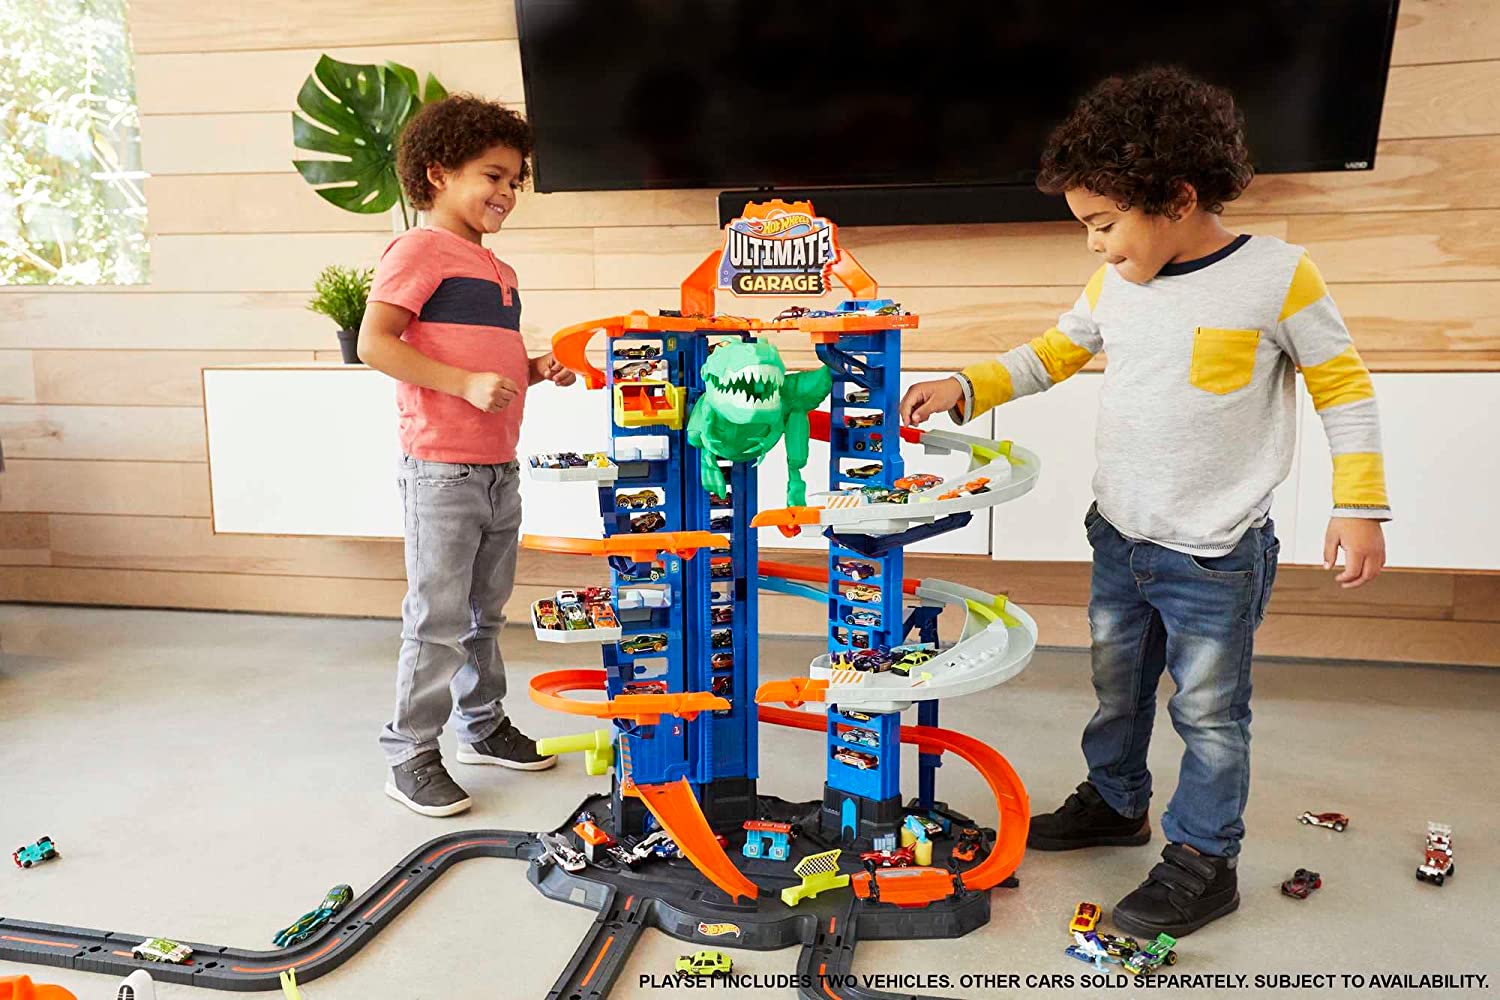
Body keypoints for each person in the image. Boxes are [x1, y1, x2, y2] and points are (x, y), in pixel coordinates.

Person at [900, 67, 1390, 936]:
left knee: (1208, 713)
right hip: (1121, 536)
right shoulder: (1113, 287)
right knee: (1117, 689)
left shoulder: (1279, 276)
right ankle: (1116, 801)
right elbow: (1050, 355)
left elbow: (1344, 389)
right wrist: (965, 385)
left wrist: (1360, 504)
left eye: (1103, 223)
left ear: (1178, 197)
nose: (1095, 245)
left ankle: (1204, 859)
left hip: (1215, 552)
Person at [358, 94, 575, 817]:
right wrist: (463, 384)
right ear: (438, 173)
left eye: (515, 180)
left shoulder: (498, 270)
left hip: (496, 468)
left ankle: (481, 726)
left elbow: (490, 366)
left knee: (485, 614)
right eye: (492, 176)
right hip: (442, 471)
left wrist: (534, 370)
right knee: (437, 619)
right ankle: (409, 754)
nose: (507, 192)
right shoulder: (417, 251)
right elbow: (375, 343)